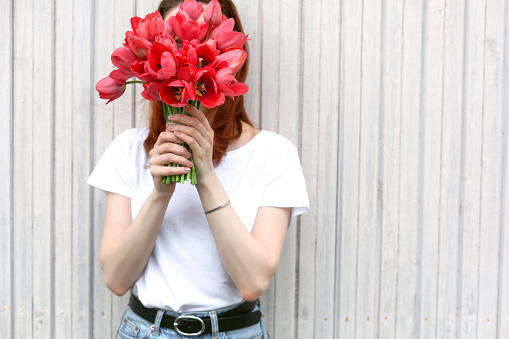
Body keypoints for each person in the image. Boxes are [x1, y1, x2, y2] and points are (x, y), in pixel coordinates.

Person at [88, 0, 309, 337]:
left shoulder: (274, 154)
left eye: (201, 45)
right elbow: (116, 279)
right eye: (172, 43)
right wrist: (160, 193)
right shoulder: (129, 150)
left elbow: (252, 283)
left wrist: (204, 175)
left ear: (233, 58)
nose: (183, 59)